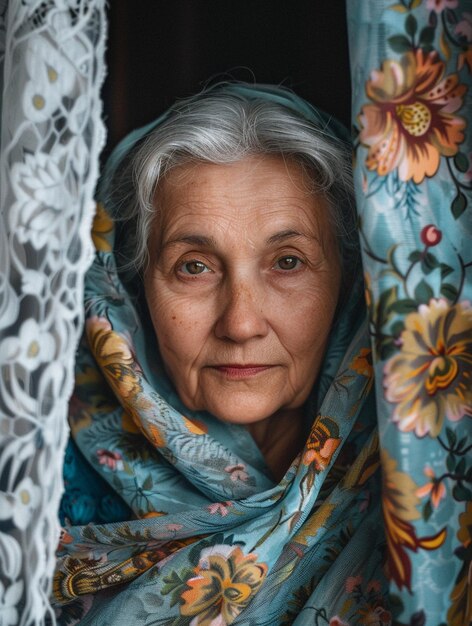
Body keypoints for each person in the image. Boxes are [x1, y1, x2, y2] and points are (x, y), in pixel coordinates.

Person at [54, 84, 389, 625]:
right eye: (194, 266)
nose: (240, 323)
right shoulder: (38, 485)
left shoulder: (424, 495)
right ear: (134, 295)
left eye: (288, 262)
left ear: (347, 288)